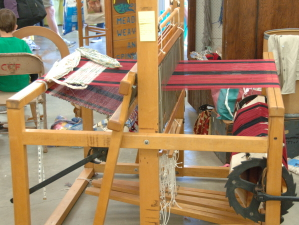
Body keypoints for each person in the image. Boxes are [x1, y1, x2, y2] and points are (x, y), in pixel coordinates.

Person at [0, 8, 33, 92]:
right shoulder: (22, 43)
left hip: (2, 86)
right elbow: (32, 64)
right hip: (23, 86)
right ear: (15, 27)